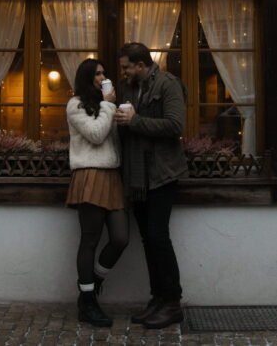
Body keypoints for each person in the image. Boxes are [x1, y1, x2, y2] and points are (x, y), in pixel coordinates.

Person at [114, 42, 187, 329]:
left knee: (158, 237)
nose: (124, 72)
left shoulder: (168, 84)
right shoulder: (130, 87)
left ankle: (172, 303)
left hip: (161, 173)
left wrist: (135, 120)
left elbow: (175, 126)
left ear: (141, 65)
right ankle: (157, 299)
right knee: (148, 240)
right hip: (137, 176)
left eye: (126, 66)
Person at [65, 58, 129, 327]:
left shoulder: (108, 103)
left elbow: (113, 139)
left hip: (111, 176)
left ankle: (93, 282)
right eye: (97, 73)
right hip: (89, 174)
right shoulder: (75, 104)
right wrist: (108, 103)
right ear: (86, 77)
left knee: (120, 238)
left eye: (104, 72)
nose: (102, 76)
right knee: (89, 240)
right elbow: (95, 134)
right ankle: (88, 302)